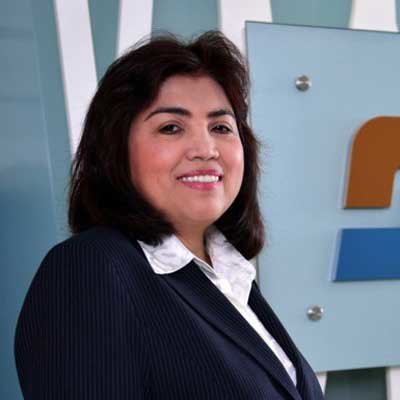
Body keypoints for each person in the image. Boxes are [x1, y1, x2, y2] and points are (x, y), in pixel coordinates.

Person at [14, 31, 324, 399]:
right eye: (171, 128)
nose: (206, 149)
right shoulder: (91, 268)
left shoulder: (231, 278)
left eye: (220, 127)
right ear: (116, 149)